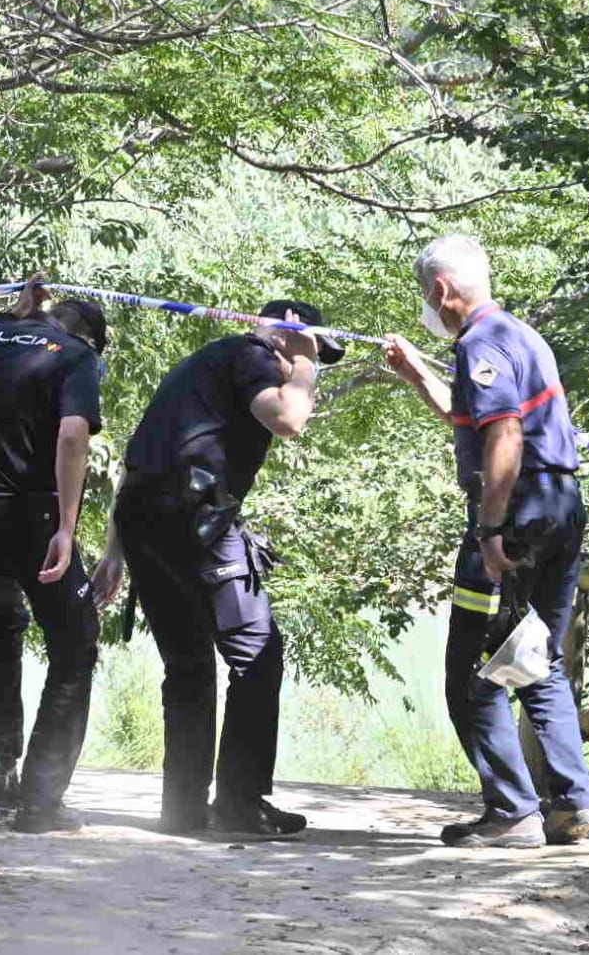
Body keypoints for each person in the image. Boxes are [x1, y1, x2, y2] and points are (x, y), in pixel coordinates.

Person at [91, 301, 343, 838]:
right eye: (318, 353)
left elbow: (138, 460)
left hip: (144, 520)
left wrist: (114, 551)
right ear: (291, 330)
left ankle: (182, 809)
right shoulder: (254, 354)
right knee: (257, 652)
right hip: (192, 519)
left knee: (187, 665)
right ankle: (238, 802)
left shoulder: (204, 368)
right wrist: (303, 362)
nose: (315, 375)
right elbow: (288, 419)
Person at [381, 234, 589, 849]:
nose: (428, 304)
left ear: (442, 289)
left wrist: (491, 530)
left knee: (472, 673)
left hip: (519, 515)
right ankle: (573, 804)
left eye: (426, 294)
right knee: (538, 658)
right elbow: (474, 413)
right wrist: (417, 372)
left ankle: (512, 813)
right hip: (562, 506)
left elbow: (503, 434)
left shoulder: (481, 343)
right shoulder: (519, 337)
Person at [0, 280, 110, 834]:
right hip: (29, 516)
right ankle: (39, 802)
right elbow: (72, 436)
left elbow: (17, 331)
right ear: (88, 338)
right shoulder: (79, 357)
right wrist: (67, 525)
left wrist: (24, 310)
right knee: (74, 642)